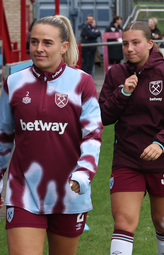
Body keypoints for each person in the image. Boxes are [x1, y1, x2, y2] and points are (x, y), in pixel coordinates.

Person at [0, 15, 103, 255]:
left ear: (64, 47)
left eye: (47, 43)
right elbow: (3, 136)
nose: (39, 49)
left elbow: (93, 135)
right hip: (23, 192)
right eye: (34, 42)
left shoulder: (82, 82)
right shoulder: (14, 82)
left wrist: (83, 173)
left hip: (69, 192)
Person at [99, 21, 164, 255]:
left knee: (163, 223)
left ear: (150, 43)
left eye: (136, 43)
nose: (129, 48)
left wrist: (161, 142)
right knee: (123, 222)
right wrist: (122, 93)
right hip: (127, 159)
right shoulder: (116, 74)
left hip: (163, 159)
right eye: (125, 44)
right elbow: (102, 116)